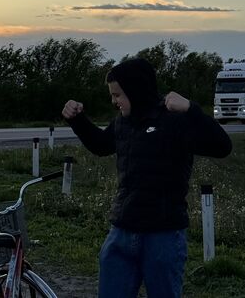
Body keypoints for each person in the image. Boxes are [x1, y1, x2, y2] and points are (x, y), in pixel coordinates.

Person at [62, 57, 232, 298]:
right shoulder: (123, 123)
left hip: (163, 236)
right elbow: (101, 145)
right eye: (112, 95)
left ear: (135, 90)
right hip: (121, 232)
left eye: (117, 95)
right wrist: (77, 120)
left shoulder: (173, 120)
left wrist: (191, 108)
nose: (114, 101)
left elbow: (222, 146)